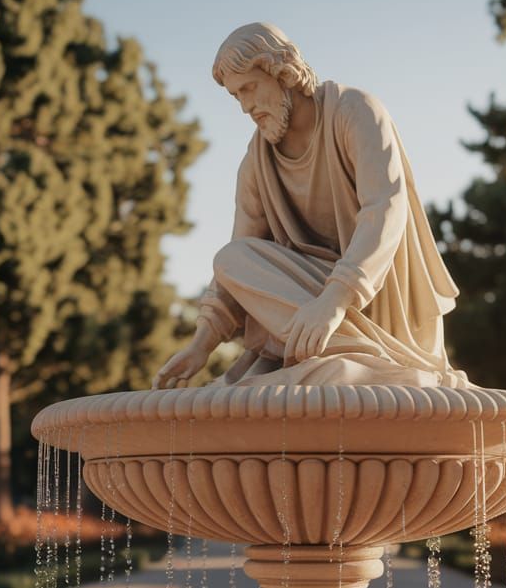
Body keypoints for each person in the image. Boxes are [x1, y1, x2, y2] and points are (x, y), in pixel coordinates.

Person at [153, 22, 467, 390]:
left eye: (249, 88)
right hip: (309, 304)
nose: (245, 107)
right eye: (236, 96)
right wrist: (200, 346)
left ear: (281, 71)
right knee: (230, 259)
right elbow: (235, 265)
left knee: (258, 374)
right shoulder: (256, 161)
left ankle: (377, 363)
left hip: (376, 301)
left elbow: (384, 210)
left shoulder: (356, 112)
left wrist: (332, 303)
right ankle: (349, 360)